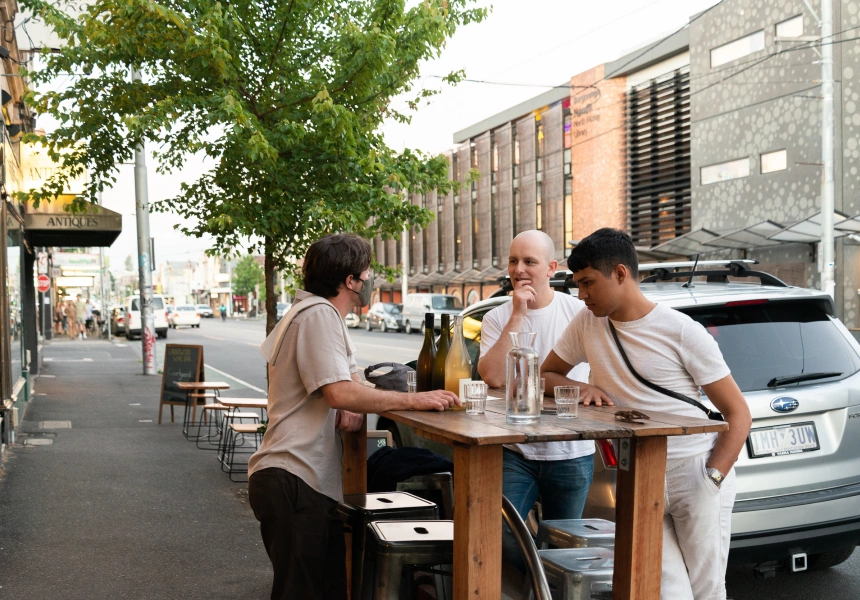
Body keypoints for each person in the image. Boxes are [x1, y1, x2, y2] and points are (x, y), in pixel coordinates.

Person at [541, 228, 752, 600]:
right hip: (636, 473)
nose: (582, 295)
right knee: (665, 590)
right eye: (577, 285)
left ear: (620, 274)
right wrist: (581, 388)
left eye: (588, 282)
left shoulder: (681, 331)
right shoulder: (588, 323)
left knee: (707, 591)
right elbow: (545, 373)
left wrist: (713, 477)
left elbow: (738, 413)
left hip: (694, 470)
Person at [248, 233, 460, 600]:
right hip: (294, 477)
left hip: (303, 482)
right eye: (366, 273)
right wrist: (417, 400)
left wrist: (350, 400)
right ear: (350, 281)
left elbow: (345, 384)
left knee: (329, 589)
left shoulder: (315, 313)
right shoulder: (318, 315)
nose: (369, 280)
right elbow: (339, 391)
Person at [477, 230, 593, 571]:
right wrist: (518, 314)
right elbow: (495, 377)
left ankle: (544, 586)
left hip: (572, 450)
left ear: (552, 268)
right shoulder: (497, 317)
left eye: (530, 261)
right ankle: (535, 584)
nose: (520, 269)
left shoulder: (579, 312)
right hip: (516, 449)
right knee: (498, 531)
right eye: (514, 260)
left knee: (563, 549)